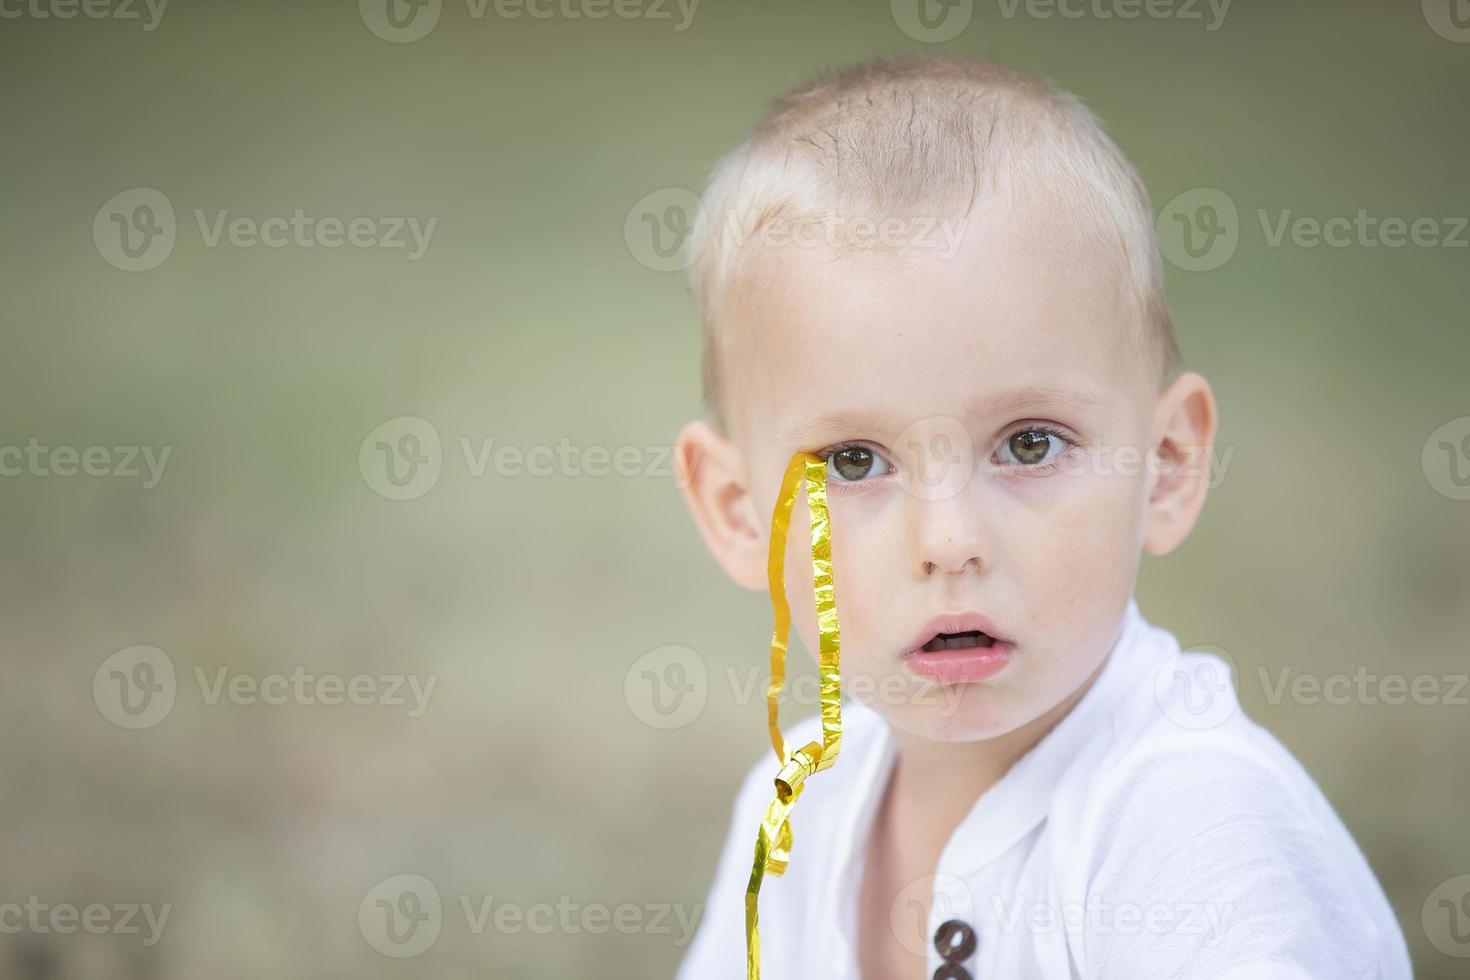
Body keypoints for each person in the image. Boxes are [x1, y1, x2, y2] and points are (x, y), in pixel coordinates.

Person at [671, 55, 1411, 979]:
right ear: (740, 513)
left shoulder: (1199, 839)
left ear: (1167, 466)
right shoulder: (795, 807)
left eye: (1028, 445)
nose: (948, 543)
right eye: (854, 462)